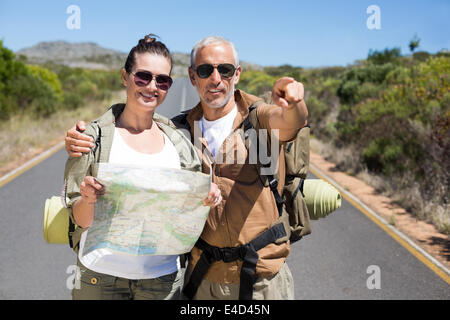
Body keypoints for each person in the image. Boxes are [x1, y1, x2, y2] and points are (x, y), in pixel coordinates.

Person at [65, 36, 308, 300]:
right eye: (205, 70)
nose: (216, 78)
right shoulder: (180, 130)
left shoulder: (257, 120)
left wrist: (295, 104)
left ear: (237, 74)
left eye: (225, 70)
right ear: (193, 77)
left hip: (260, 278)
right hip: (201, 279)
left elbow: (289, 122)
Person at [63, 34, 221, 300]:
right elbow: (79, 219)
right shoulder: (93, 139)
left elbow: (189, 210)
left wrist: (207, 195)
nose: (152, 86)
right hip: (99, 276)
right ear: (125, 77)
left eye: (162, 80)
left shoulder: (179, 144)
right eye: (143, 77)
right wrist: (88, 200)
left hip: (161, 280)